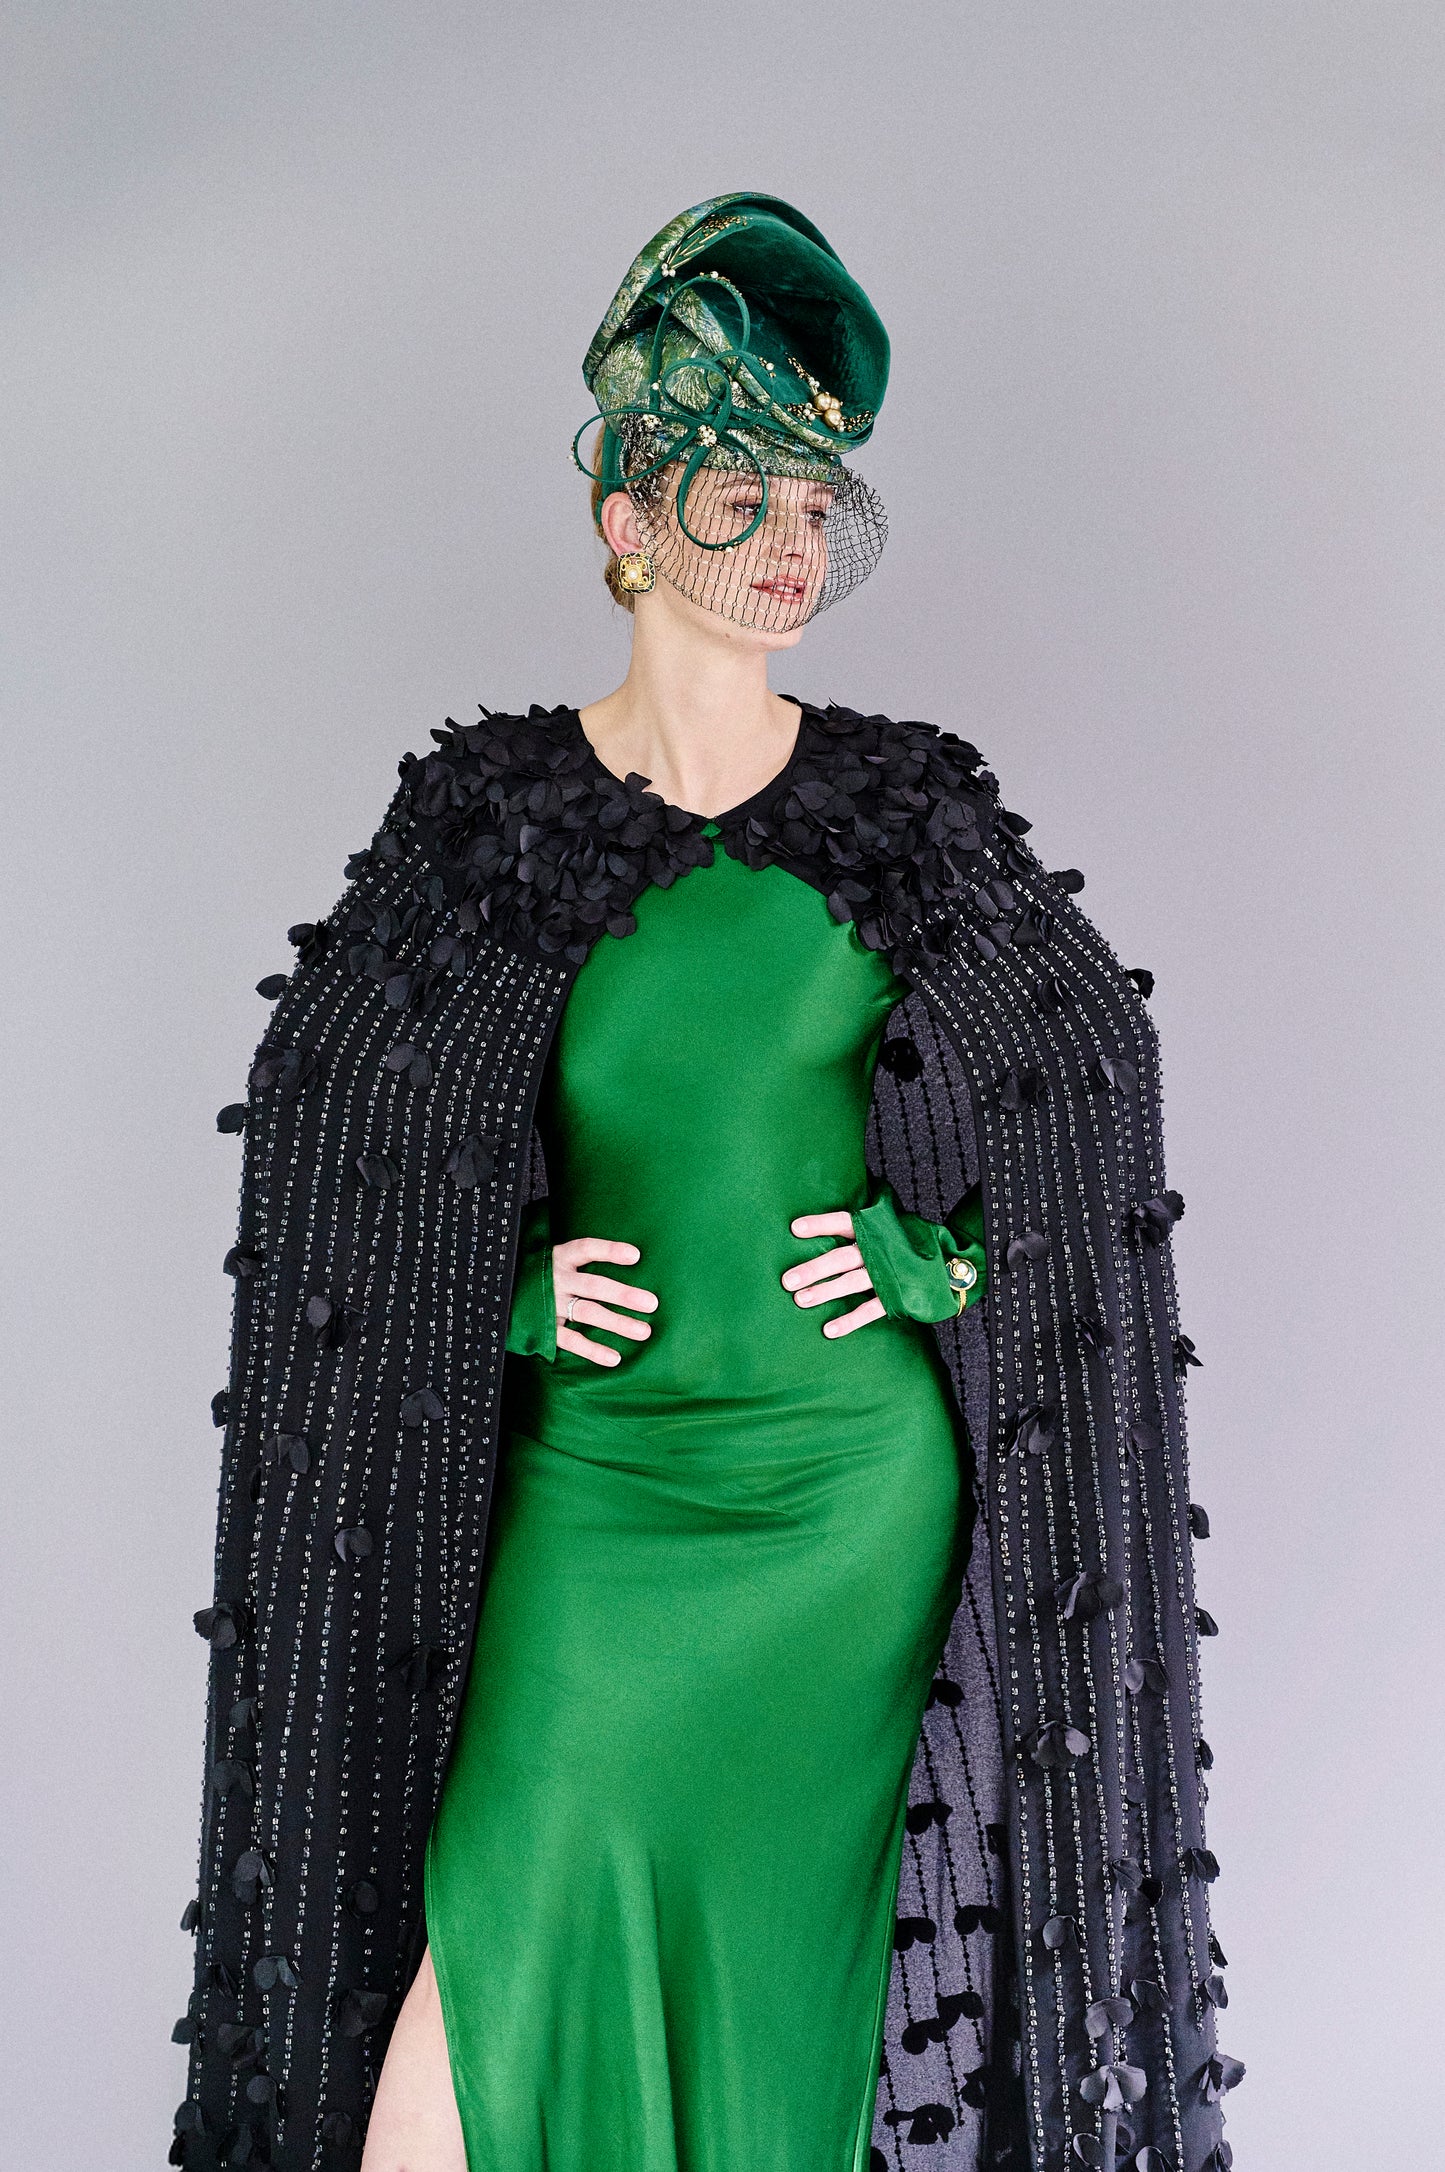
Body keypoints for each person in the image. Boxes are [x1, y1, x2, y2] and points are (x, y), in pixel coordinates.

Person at [174, 195, 1238, 2172]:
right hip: (596, 1496)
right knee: (464, 2022)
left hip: (836, 1507)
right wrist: (495, 1295)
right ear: (629, 523)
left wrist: (933, 1269)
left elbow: (1092, 1082)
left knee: (773, 2021)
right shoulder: (493, 823)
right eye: (743, 499)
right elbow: (329, 1124)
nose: (792, 543)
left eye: (814, 504)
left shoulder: (895, 811)